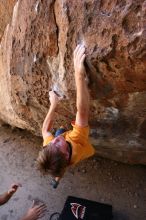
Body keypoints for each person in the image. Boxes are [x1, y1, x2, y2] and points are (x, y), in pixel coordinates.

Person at [37, 44, 95, 186]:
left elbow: (45, 131)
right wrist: (79, 74)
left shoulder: (50, 147)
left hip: (62, 157)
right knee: (62, 168)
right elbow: (82, 112)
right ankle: (57, 177)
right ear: (66, 154)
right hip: (82, 148)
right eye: (56, 146)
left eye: (50, 144)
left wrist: (54, 104)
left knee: (57, 165)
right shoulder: (77, 143)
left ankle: (55, 179)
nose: (54, 141)